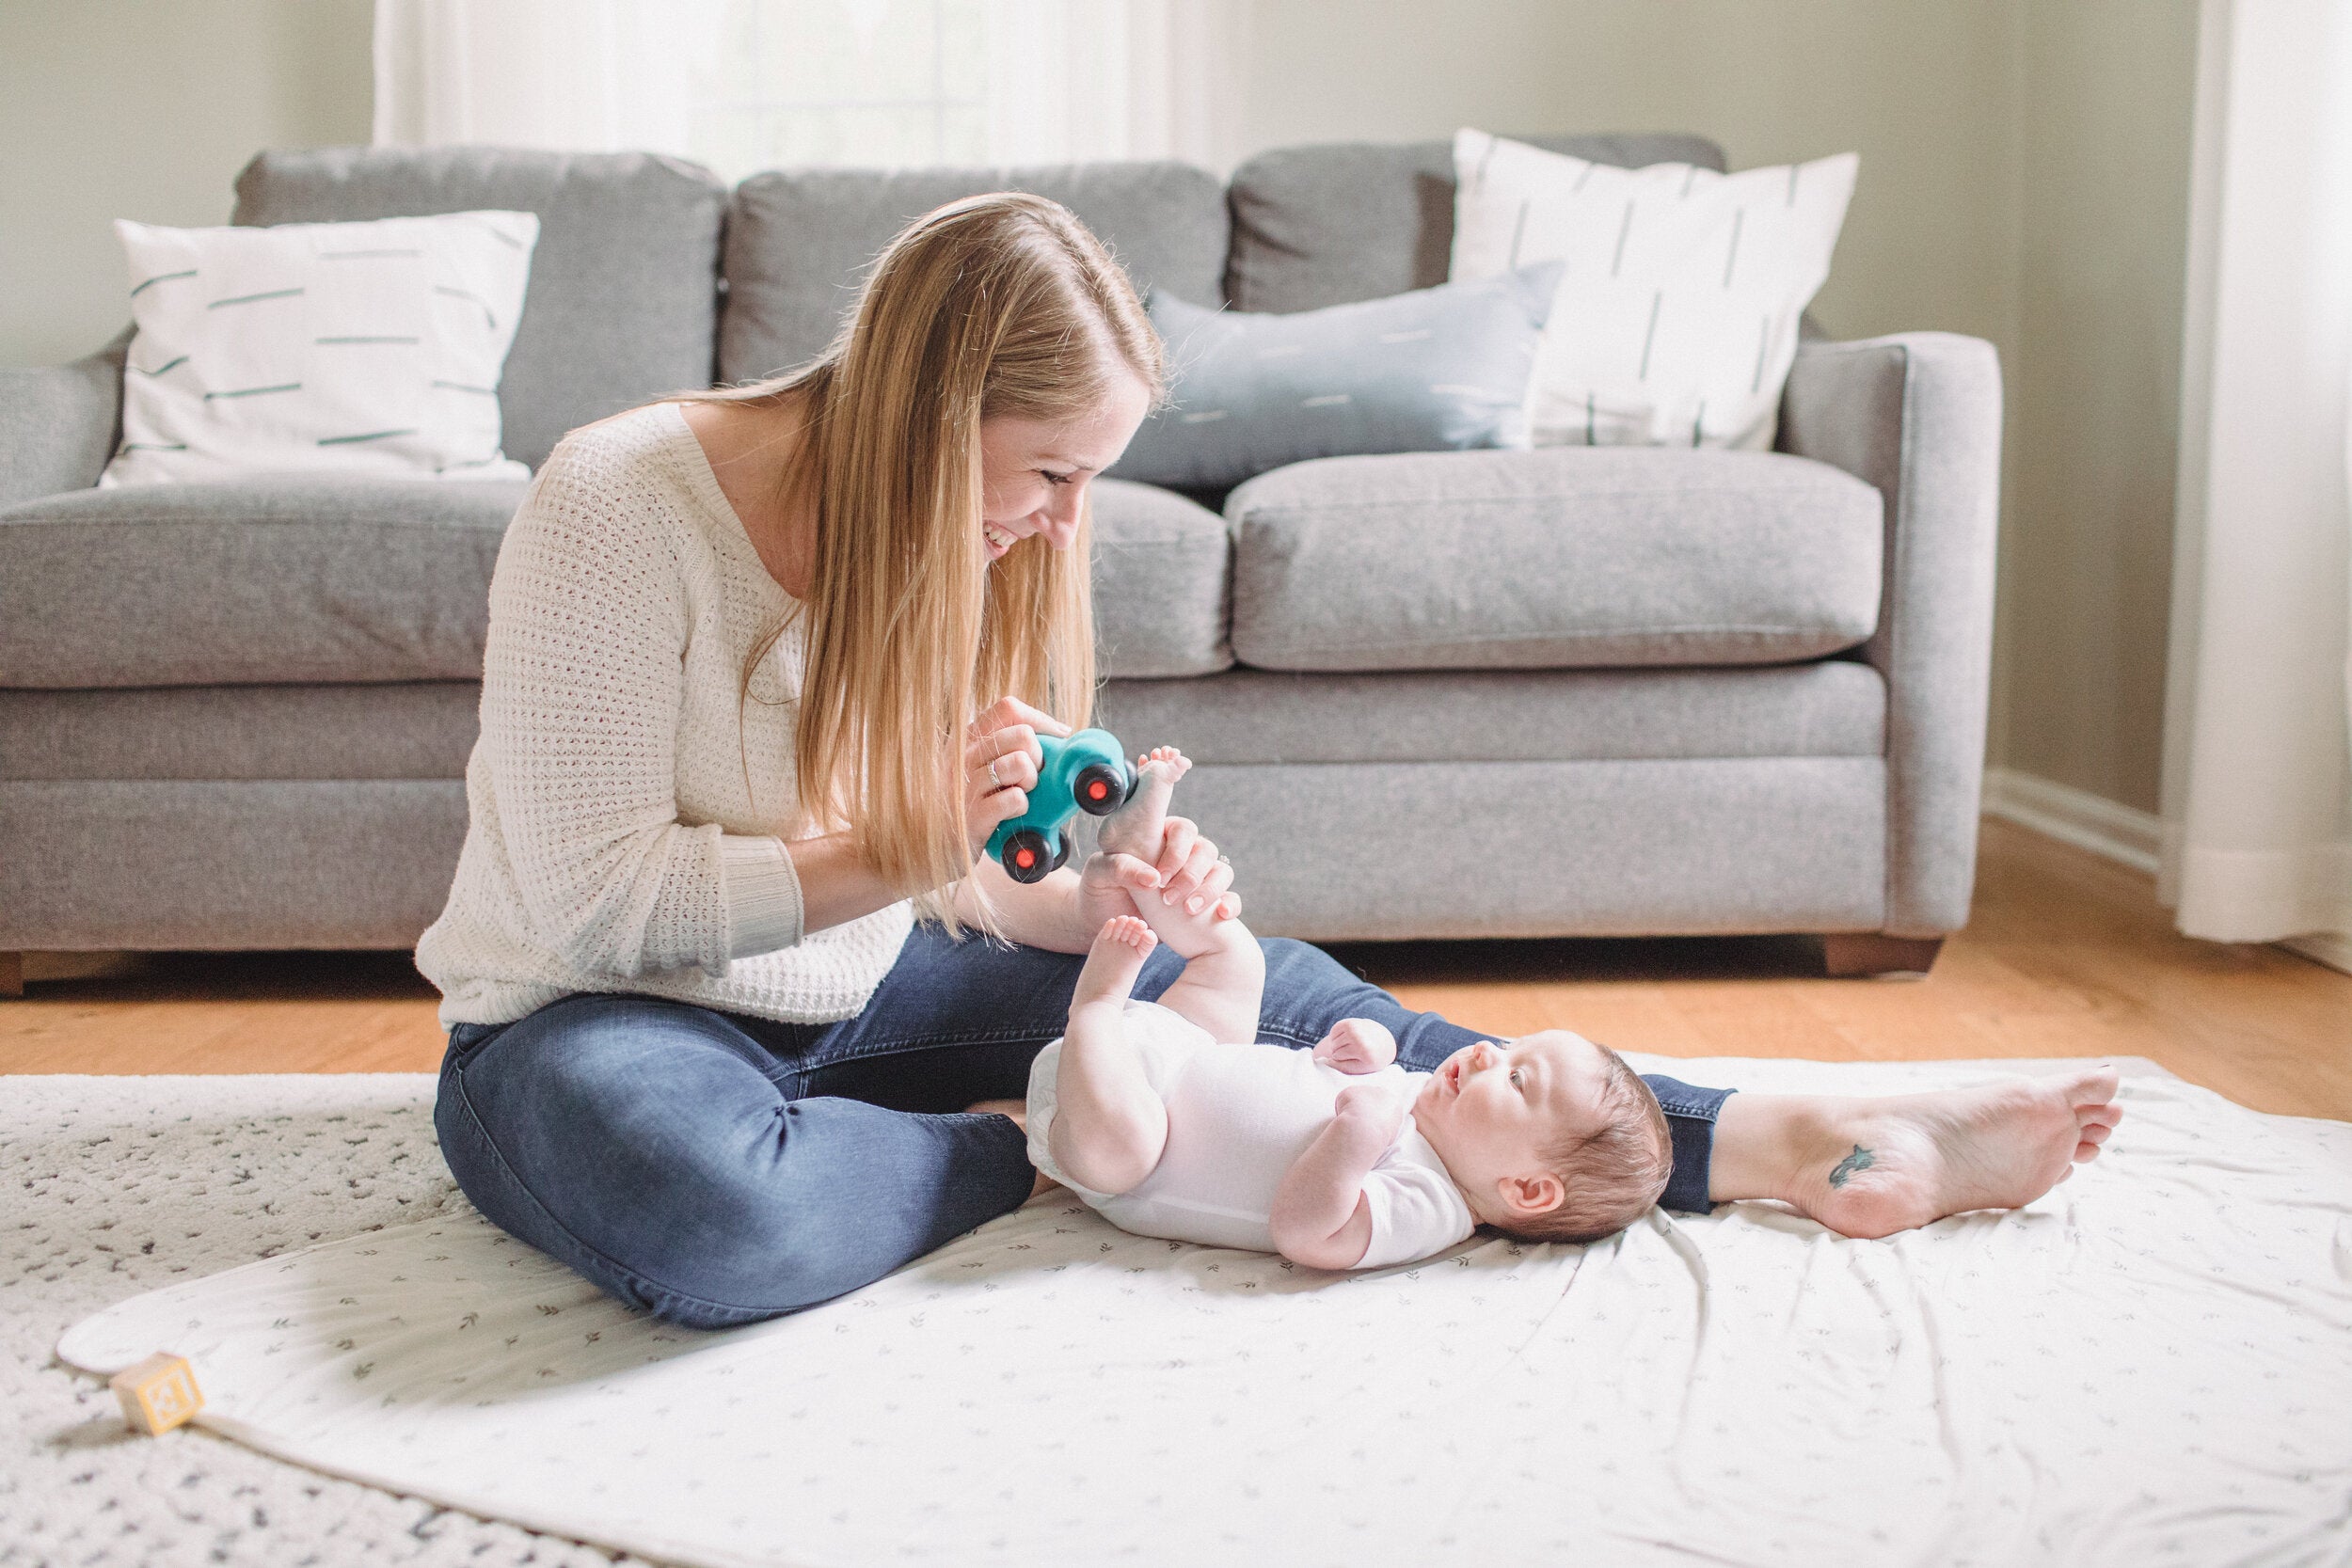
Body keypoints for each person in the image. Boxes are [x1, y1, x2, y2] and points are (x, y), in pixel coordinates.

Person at [419, 190, 2124, 1331]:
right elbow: (592, 905)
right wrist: (911, 865)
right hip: (594, 1012)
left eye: (1088, 479)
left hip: (861, 981)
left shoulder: (986, 545)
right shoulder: (622, 502)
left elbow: (965, 886)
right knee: (719, 1222)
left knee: (1294, 1002)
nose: (1060, 524)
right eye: (1047, 472)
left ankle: (1787, 1126)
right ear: (928, 417)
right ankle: (1020, 1141)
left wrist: (1109, 920)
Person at [1027, 747, 1671, 1269]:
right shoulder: (1429, 1104)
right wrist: (1368, 1049)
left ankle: (1095, 1007)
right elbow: (1331, 1076)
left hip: (1122, 1134)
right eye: (1510, 1046)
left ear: (1526, 1189)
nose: (1486, 1051)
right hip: (1186, 1048)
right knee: (1236, 963)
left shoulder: (1432, 1204)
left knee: (1124, 1149)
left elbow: (1306, 1232)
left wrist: (1356, 1136)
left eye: (1517, 1077)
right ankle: (1141, 864)